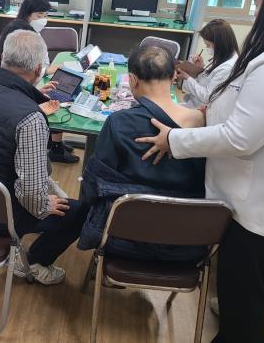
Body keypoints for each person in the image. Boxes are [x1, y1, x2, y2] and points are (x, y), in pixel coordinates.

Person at [136, 0, 264, 343]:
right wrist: (208, 111)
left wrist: (174, 140)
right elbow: (253, 114)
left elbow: (241, 137)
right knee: (261, 285)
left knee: (244, 300)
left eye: (258, 3)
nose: (254, 12)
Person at [0, 30, 88, 285]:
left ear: (3, 57)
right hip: (0, 217)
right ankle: (34, 263)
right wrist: (44, 205)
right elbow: (32, 197)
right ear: (38, 69)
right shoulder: (30, 119)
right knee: (80, 211)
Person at [78, 45, 206, 261]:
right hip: (187, 242)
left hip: (122, 238)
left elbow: (93, 186)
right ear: (174, 76)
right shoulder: (203, 123)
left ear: (132, 80)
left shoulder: (119, 122)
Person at [0, 20, 80, 164]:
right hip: (0, 172)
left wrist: (32, 100)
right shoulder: (31, 120)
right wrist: (32, 111)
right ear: (38, 69)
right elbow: (34, 179)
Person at [177, 19, 239, 109]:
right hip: (194, 103)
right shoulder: (223, 56)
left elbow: (207, 96)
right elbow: (208, 78)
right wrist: (200, 68)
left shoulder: (227, 67)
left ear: (220, 44)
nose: (207, 48)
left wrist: (187, 78)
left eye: (208, 45)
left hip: (203, 109)